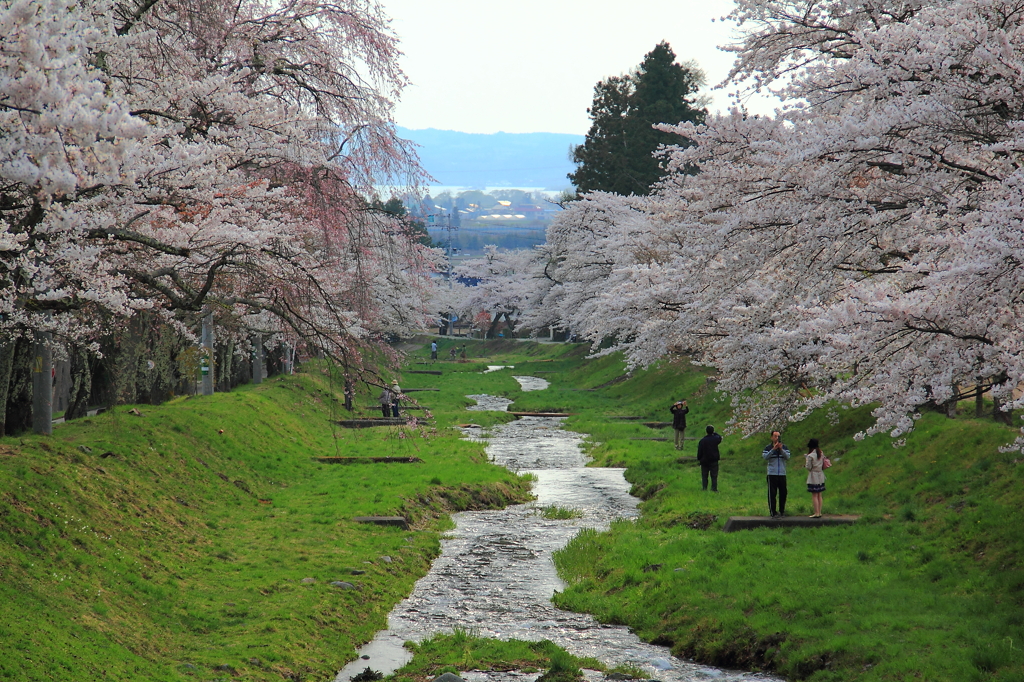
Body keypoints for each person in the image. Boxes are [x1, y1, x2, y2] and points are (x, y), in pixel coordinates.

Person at [762, 430, 791, 517]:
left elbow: (787, 457)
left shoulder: (784, 447)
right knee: (772, 493)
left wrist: (781, 449)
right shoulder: (768, 447)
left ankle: (782, 511)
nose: (777, 438)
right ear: (771, 437)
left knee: (783, 492)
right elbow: (765, 457)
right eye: (775, 436)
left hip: (782, 473)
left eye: (778, 436)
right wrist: (773, 449)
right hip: (772, 473)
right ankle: (773, 512)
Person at [696, 425, 722, 492]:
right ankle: (714, 488)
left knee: (704, 475)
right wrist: (715, 433)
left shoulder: (702, 441)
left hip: (704, 460)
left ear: (706, 431)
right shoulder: (715, 439)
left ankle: (704, 488)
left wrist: (699, 458)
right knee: (714, 475)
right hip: (713, 460)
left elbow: (700, 451)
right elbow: (720, 437)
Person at [805, 438, 826, 517]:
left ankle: (816, 513)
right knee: (819, 495)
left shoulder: (810, 456)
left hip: (813, 475)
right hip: (820, 474)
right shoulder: (821, 453)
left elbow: (808, 467)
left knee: (814, 495)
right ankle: (819, 512)